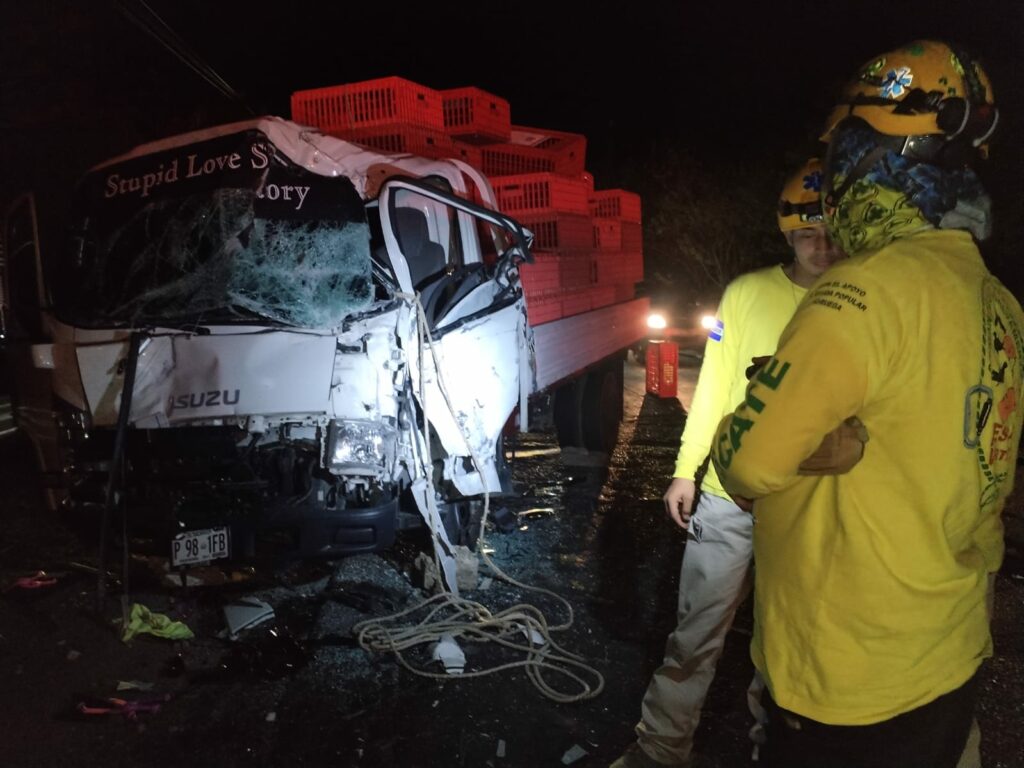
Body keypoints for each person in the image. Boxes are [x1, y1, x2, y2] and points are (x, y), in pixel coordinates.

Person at [710, 40, 1024, 768]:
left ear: (866, 155)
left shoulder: (859, 294)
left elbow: (747, 468)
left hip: (848, 678)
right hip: (947, 648)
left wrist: (755, 426)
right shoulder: (998, 303)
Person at [612, 158, 845, 768]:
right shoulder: (748, 294)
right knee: (695, 634)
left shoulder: (859, 302)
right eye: (806, 234)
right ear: (788, 235)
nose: (820, 247)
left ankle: (773, 753)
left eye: (831, 232)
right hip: (727, 496)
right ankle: (660, 748)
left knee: (789, 646)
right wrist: (686, 469)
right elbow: (713, 389)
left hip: (808, 501)